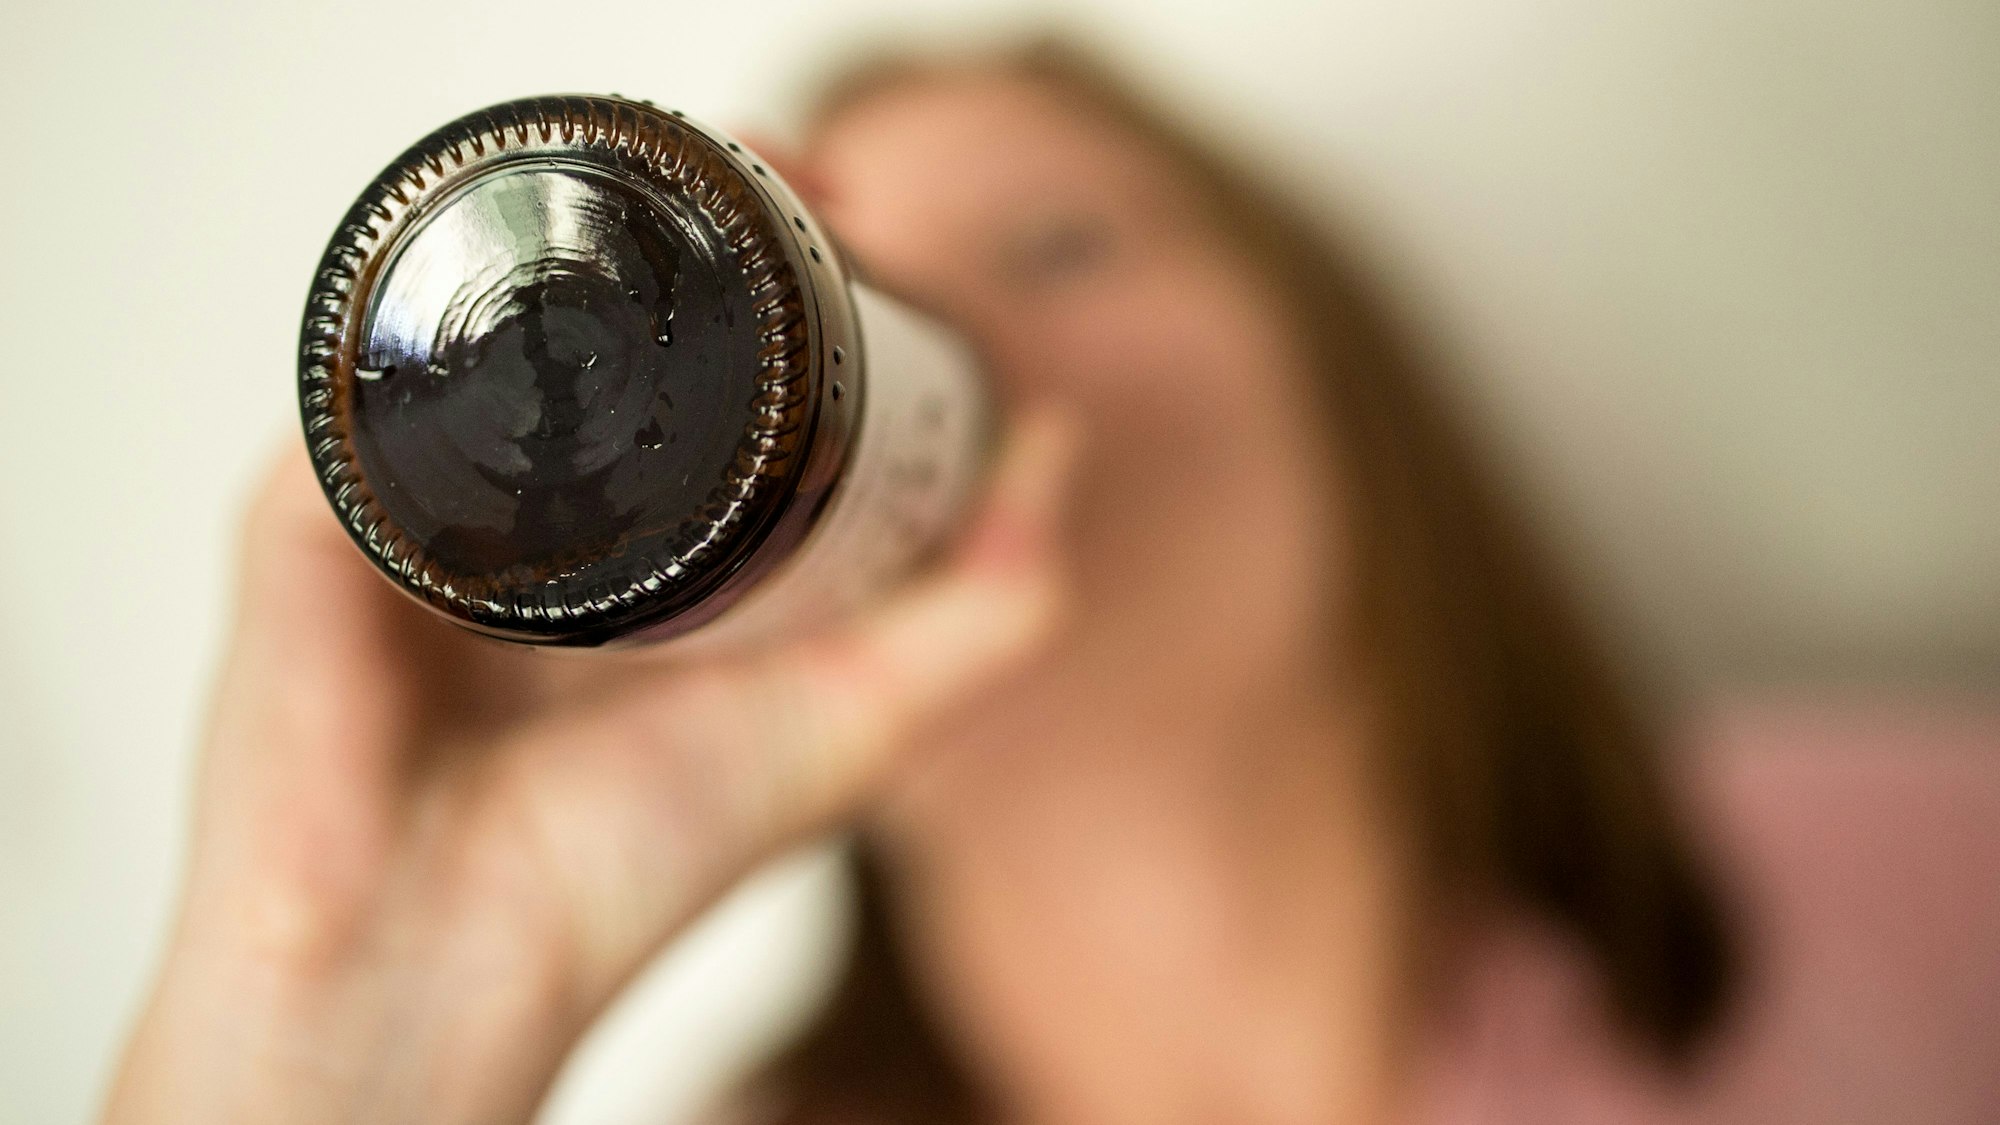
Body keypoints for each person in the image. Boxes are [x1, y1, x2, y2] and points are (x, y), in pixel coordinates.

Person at [102, 36, 1739, 1125]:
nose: (981, 363)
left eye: (1059, 245)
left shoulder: (1924, 888)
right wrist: (346, 1019)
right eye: (876, 290)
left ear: (1336, 371)